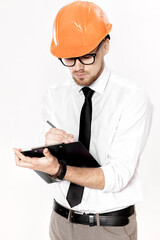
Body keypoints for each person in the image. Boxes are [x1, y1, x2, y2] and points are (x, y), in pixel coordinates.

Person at [14, 1, 152, 240]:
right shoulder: (54, 96)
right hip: (60, 223)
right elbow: (49, 173)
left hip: (109, 228)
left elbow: (117, 176)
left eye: (87, 56)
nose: (77, 67)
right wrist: (41, 155)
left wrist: (60, 169)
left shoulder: (132, 98)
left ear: (105, 46)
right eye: (69, 58)